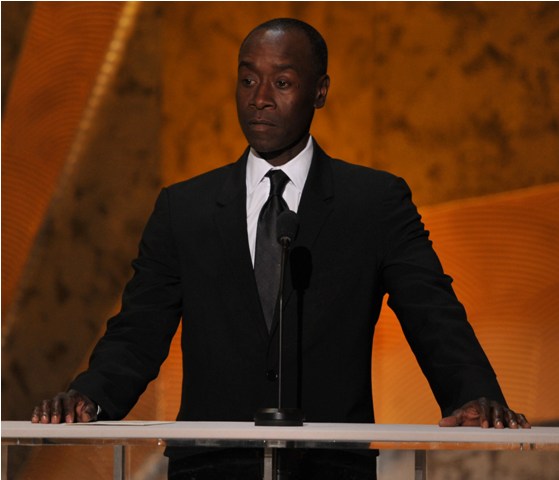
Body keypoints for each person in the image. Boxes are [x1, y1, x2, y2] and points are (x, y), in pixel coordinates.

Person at [31, 18, 530, 479]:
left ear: (320, 91)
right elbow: (138, 331)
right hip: (211, 467)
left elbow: (432, 312)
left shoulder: (374, 203)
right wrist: (88, 397)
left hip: (328, 466)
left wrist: (474, 396)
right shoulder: (184, 208)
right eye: (248, 80)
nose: (260, 99)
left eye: (282, 82)